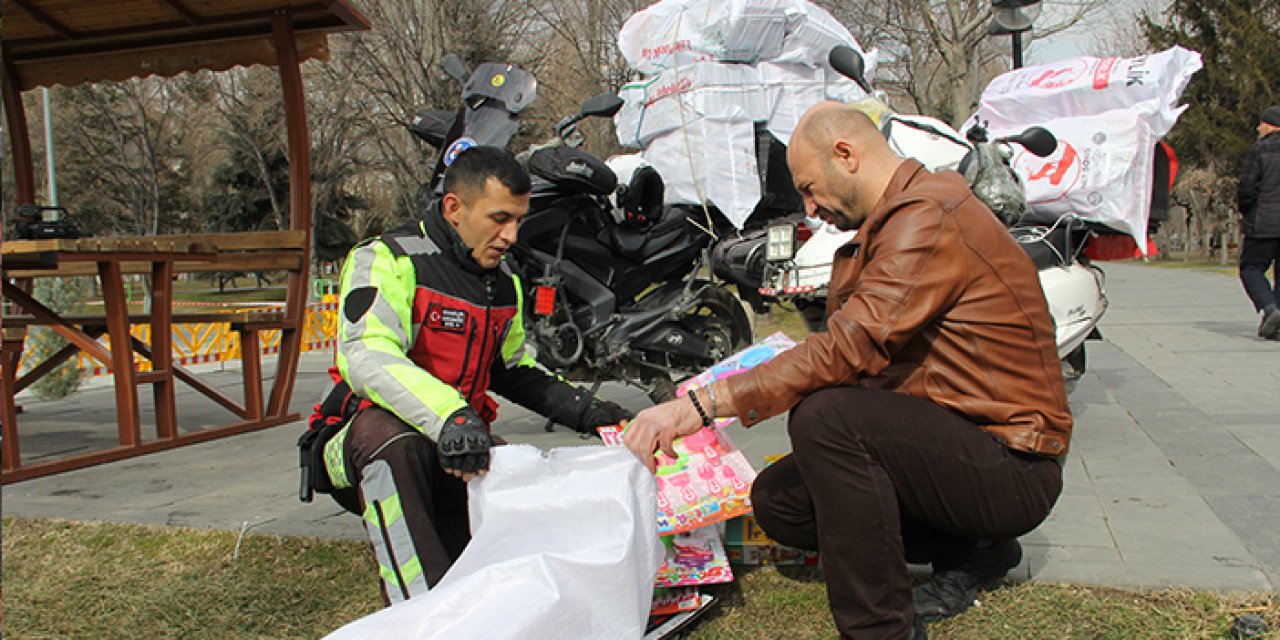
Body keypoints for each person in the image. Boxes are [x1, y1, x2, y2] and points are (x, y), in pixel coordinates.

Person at [624, 102, 1072, 640]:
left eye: (811, 188)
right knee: (780, 501)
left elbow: (847, 348)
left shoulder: (927, 217)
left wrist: (698, 405)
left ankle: (881, 629)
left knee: (828, 419)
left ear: (846, 153)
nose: (811, 208)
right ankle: (971, 548)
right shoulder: (891, 223)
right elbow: (850, 349)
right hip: (952, 445)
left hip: (1010, 462)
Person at [322, 146, 631, 604]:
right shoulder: (386, 258)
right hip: (363, 442)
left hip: (457, 445)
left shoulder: (504, 281)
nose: (511, 235)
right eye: (499, 218)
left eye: (518, 221)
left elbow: (514, 370)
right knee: (396, 444)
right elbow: (367, 355)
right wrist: (453, 416)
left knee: (519, 473)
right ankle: (419, 617)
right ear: (454, 208)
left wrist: (596, 414)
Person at [1236, 106, 1280, 340]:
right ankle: (1275, 326)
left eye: (1261, 124)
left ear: (1271, 126)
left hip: (1264, 222)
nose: (1257, 128)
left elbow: (1247, 188)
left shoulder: (1260, 150)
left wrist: (1246, 211)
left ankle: (1270, 309)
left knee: (1251, 268)